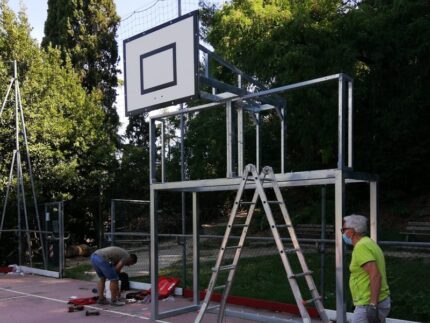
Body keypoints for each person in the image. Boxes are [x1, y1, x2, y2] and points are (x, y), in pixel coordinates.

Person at [342, 214, 391, 323]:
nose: (342, 233)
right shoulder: (369, 242)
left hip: (368, 303)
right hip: (380, 300)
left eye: (343, 229)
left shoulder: (361, 247)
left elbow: (375, 275)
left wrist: (372, 305)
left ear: (351, 231)